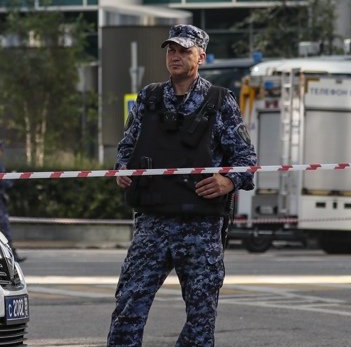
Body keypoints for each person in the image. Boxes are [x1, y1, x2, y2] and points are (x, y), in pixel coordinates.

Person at [107, 24, 257, 347]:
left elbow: (247, 160)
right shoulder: (148, 99)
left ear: (200, 56)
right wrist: (122, 169)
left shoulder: (220, 102)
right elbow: (126, 147)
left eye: (184, 51)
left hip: (200, 226)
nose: (175, 57)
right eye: (171, 50)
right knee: (128, 307)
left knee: (202, 317)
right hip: (152, 223)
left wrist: (227, 180)